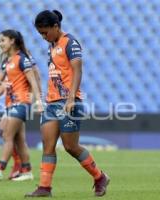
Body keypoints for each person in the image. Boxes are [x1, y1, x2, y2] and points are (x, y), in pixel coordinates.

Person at [25, 10, 110, 197]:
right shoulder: (52, 45)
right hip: (52, 103)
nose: (43, 37)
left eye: (45, 32)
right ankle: (44, 187)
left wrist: (71, 98)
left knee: (71, 147)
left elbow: (77, 71)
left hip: (69, 102)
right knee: (48, 145)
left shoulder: (70, 43)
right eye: (40, 33)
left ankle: (99, 176)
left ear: (56, 27)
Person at [0, 29, 43, 181]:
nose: (0, 44)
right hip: (10, 103)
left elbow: (33, 80)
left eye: (3, 40)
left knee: (7, 135)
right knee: (19, 140)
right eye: (0, 41)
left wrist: (38, 101)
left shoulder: (22, 59)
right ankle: (27, 171)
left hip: (21, 103)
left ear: (12, 41)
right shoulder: (7, 62)